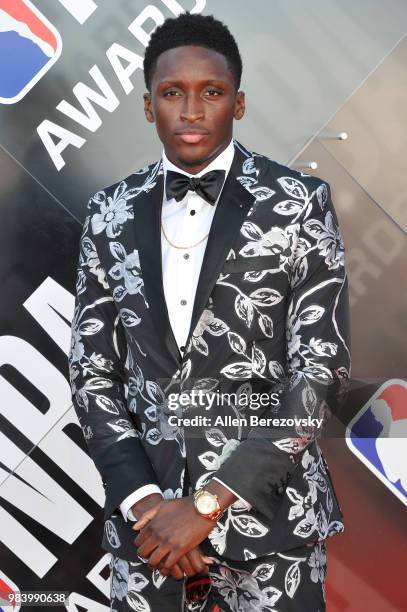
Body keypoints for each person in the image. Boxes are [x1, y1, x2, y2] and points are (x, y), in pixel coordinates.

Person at [68, 12, 351, 612]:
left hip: (273, 522)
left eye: (212, 93)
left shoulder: (299, 204)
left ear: (239, 104)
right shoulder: (107, 213)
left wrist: (205, 506)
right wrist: (146, 503)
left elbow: (319, 368)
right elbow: (93, 374)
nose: (191, 111)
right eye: (173, 93)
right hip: (149, 536)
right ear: (149, 107)